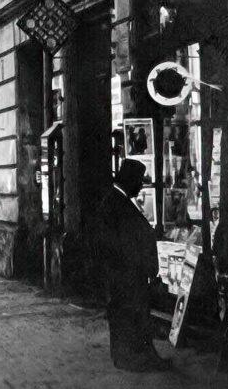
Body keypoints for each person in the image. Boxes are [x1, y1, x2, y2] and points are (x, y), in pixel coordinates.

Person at [96, 158, 171, 372]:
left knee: (129, 317)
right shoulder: (116, 203)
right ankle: (136, 359)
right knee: (130, 316)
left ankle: (132, 357)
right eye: (139, 181)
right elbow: (123, 243)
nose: (141, 186)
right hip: (126, 275)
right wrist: (142, 267)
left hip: (124, 275)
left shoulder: (116, 200)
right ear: (129, 180)